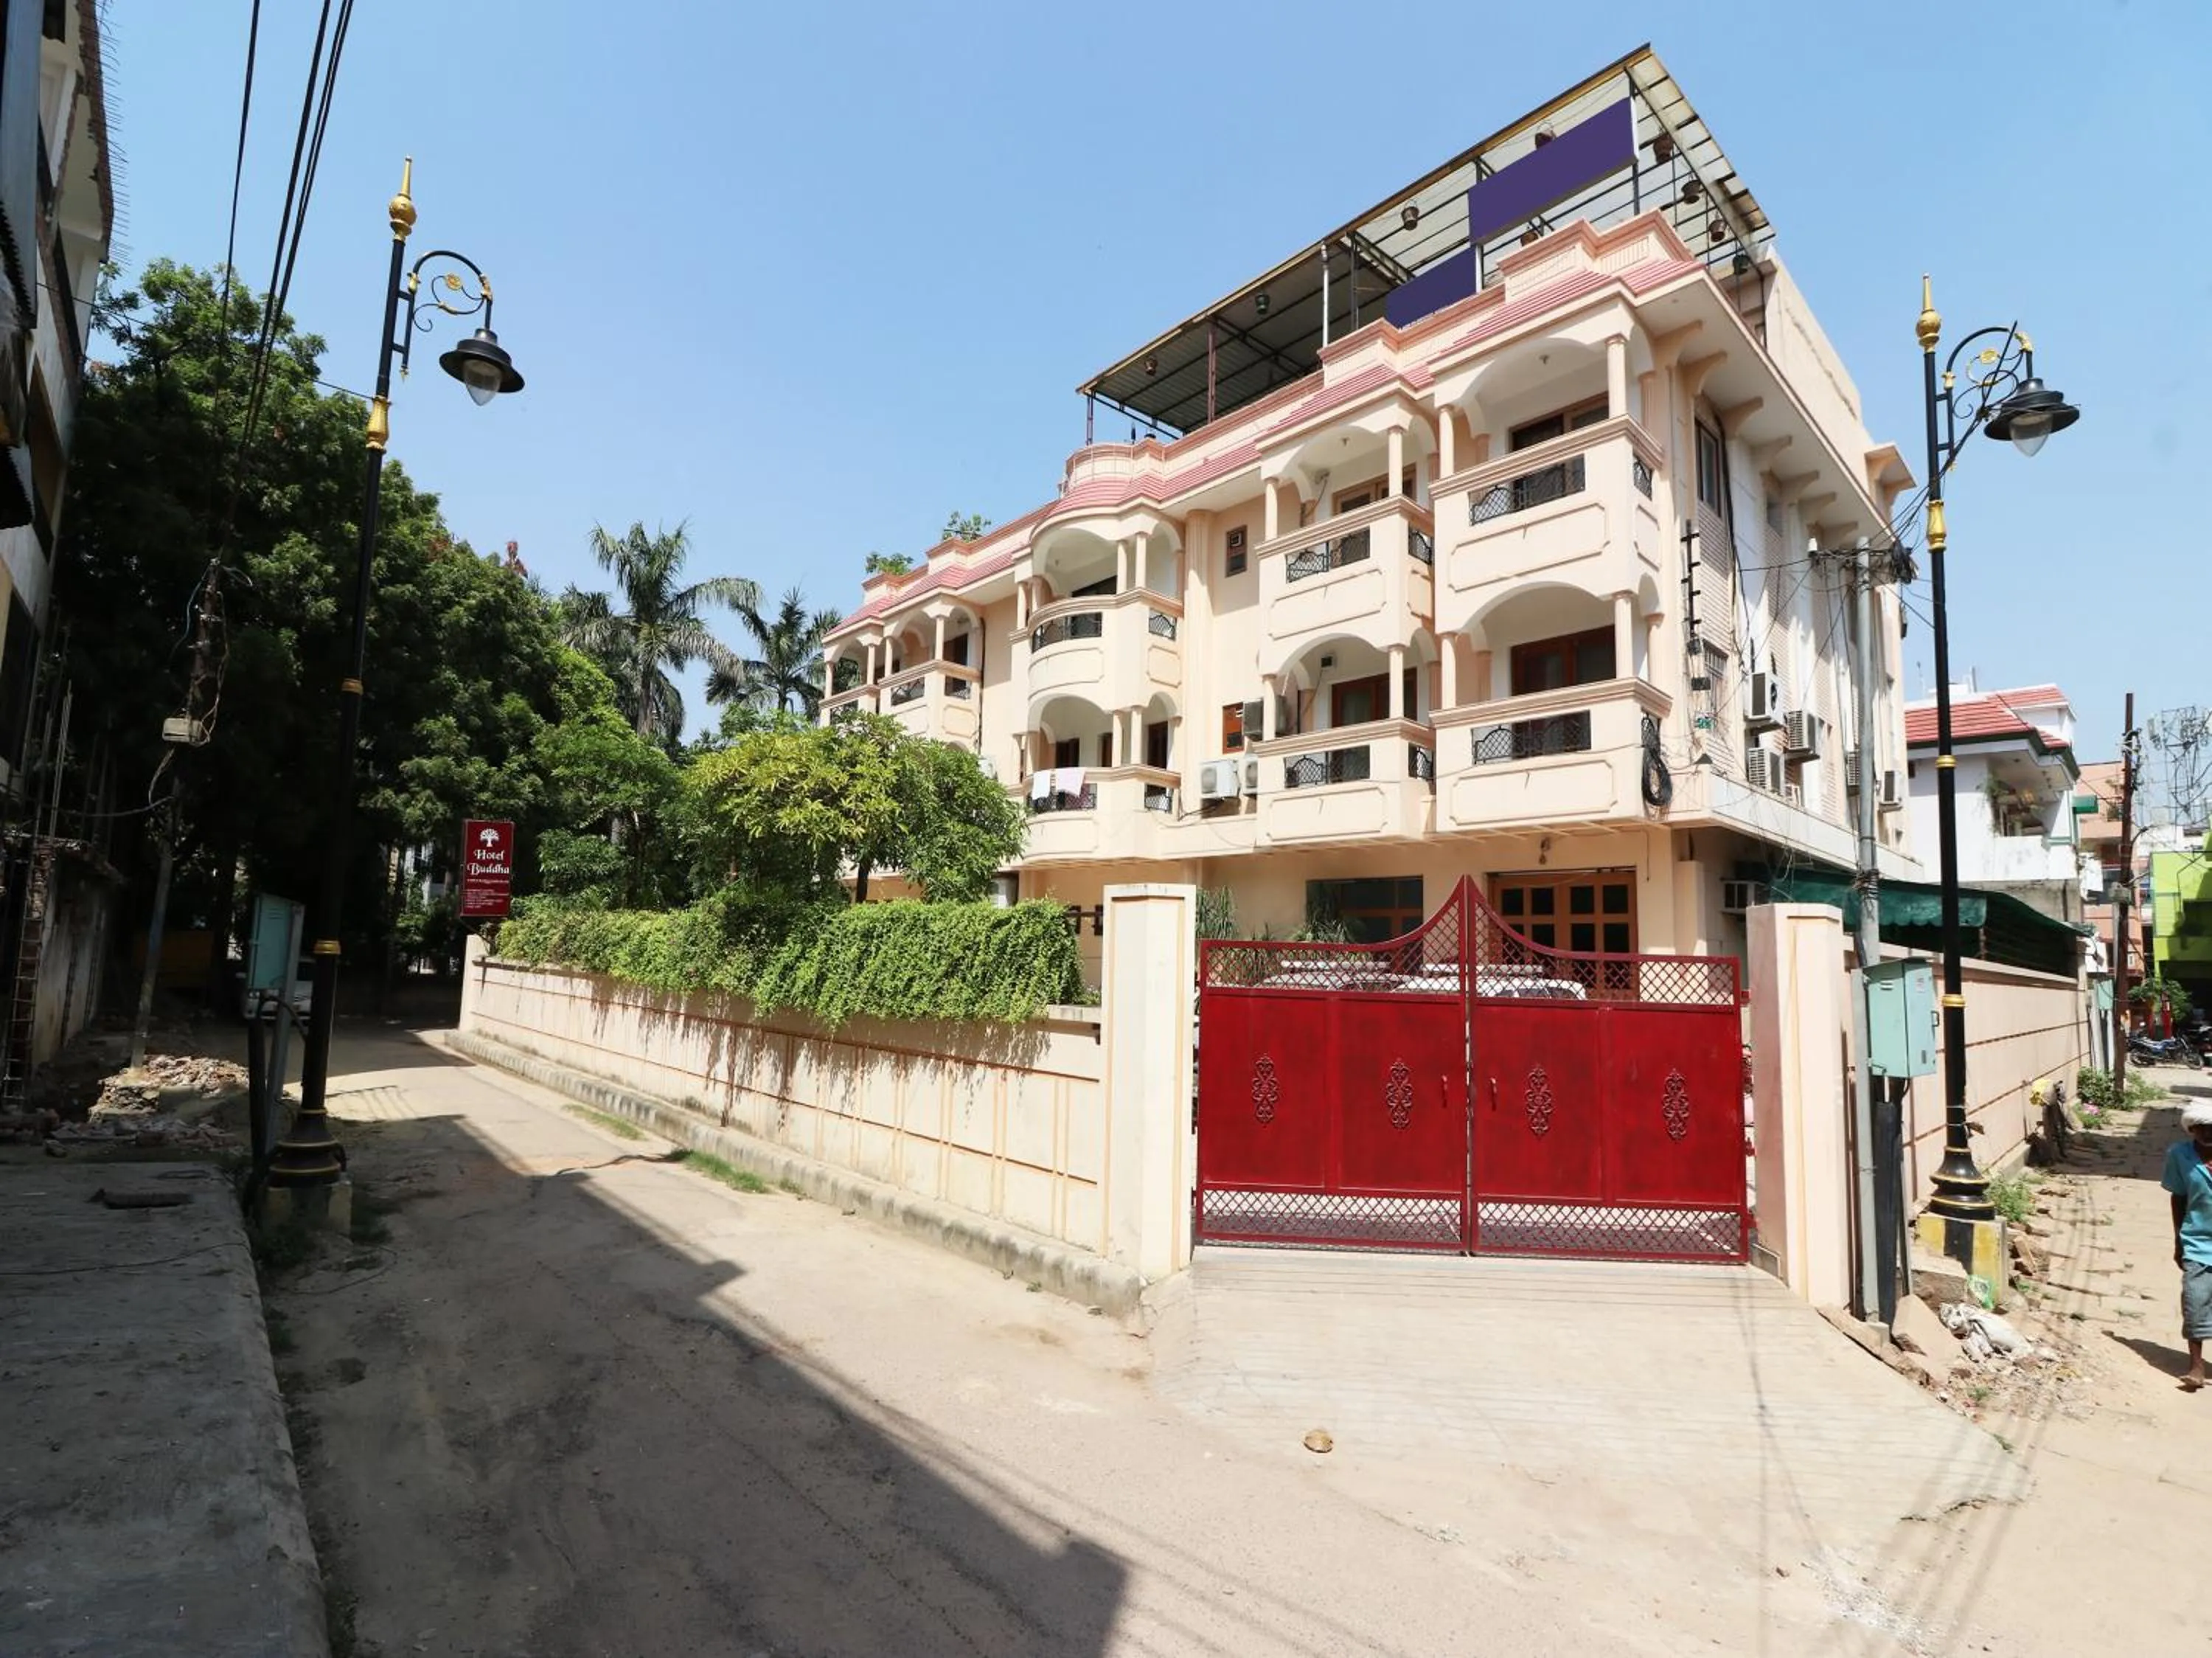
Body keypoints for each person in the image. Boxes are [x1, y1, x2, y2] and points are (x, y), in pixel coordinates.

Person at [2163, 1098, 2212, 1391]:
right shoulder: (2179, 1156)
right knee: (2195, 1301)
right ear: (2191, 1129)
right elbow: (2178, 1198)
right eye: (2200, 1129)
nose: (2207, 1135)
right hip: (2197, 1241)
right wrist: (2179, 1241)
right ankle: (2196, 1366)